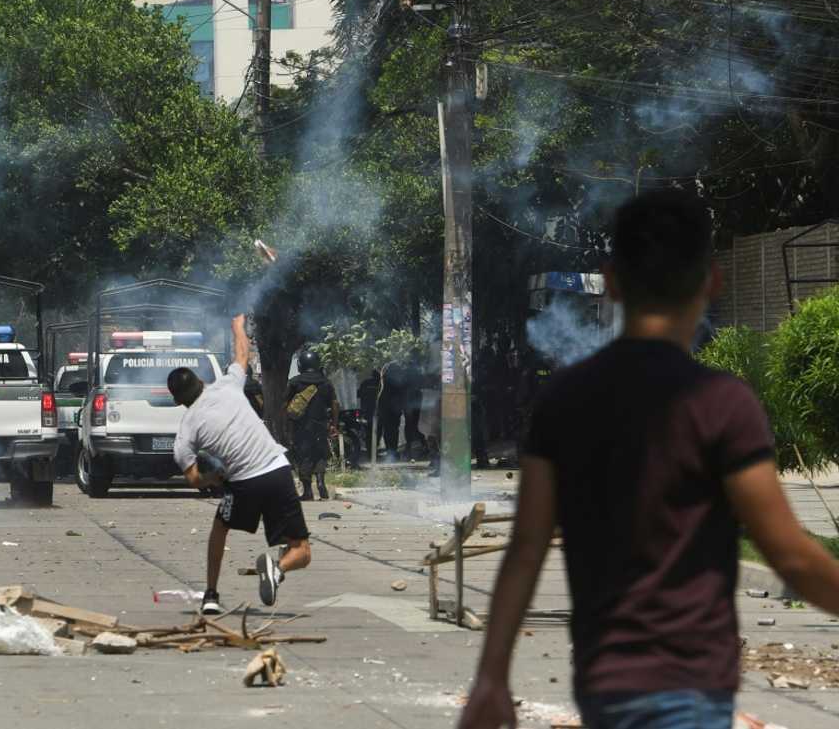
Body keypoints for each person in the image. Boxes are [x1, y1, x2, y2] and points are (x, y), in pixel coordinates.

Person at [457, 190, 839, 729]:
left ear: (611, 280)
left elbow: (526, 546)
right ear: (713, 280)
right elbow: (793, 557)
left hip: (605, 687)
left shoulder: (564, 400)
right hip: (692, 688)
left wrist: (492, 678)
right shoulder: (722, 404)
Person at [170, 315, 311, 616]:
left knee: (220, 528)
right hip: (276, 470)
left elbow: (193, 479)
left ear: (177, 401)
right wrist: (237, 325)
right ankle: (279, 568)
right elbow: (243, 352)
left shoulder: (186, 430)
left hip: (243, 483)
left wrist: (213, 478)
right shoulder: (228, 385)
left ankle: (210, 594)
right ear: (201, 381)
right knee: (301, 550)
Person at [284, 350, 339, 501]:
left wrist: (286, 426)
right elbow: (334, 404)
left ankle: (307, 490)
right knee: (320, 454)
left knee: (303, 456)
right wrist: (334, 424)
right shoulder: (326, 382)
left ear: (301, 364)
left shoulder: (295, 382)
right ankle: (321, 482)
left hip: (301, 427)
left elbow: (285, 405)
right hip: (320, 425)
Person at [357, 369, 381, 455]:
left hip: (367, 411)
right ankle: (374, 450)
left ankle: (369, 451)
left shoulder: (365, 383)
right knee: (377, 431)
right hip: (378, 411)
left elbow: (358, 394)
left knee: (368, 431)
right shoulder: (381, 383)